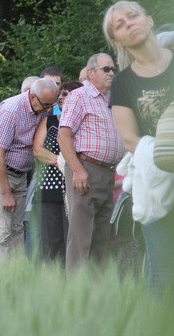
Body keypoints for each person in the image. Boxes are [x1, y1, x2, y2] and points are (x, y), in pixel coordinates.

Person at [105, 0, 174, 296]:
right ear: (116, 40)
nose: (129, 23)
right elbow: (130, 139)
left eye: (133, 16)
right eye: (120, 24)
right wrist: (170, 154)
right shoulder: (123, 83)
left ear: (150, 19)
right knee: (164, 273)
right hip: (159, 181)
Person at [0, 78, 59, 261]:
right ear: (32, 96)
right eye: (46, 105)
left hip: (20, 173)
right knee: (0, 231)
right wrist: (6, 193)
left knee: (17, 229)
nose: (48, 110)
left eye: (51, 105)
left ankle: (16, 278)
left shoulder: (43, 109)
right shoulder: (11, 110)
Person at [58, 53, 125, 271]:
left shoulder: (109, 99)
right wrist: (77, 170)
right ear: (91, 72)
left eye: (113, 69)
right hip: (86, 170)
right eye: (106, 69)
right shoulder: (79, 96)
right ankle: (77, 293)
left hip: (107, 173)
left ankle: (96, 292)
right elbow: (64, 135)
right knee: (82, 235)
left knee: (101, 236)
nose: (111, 73)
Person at [32, 81, 81, 263]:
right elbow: (37, 150)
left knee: (72, 240)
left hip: (74, 188)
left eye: (66, 94)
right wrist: (60, 161)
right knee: (50, 243)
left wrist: (68, 164)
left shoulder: (83, 123)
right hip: (49, 188)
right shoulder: (49, 121)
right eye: (60, 94)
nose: (60, 97)